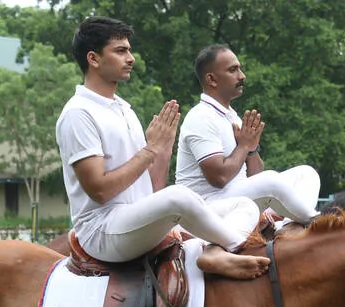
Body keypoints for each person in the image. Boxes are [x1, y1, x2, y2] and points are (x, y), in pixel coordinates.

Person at [56, 17, 268, 279]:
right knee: (179, 196)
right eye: (121, 51)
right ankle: (233, 246)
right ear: (94, 58)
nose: (131, 58)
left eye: (129, 50)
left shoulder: (123, 109)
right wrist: (149, 150)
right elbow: (99, 191)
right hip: (103, 231)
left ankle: (215, 249)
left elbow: (151, 191)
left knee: (244, 206)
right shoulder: (78, 113)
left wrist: (162, 150)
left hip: (134, 221)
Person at [175, 44, 320, 226]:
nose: (242, 76)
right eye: (233, 70)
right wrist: (243, 146)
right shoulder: (201, 117)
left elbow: (254, 177)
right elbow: (218, 179)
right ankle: (316, 222)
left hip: (237, 200)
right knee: (271, 181)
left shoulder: (233, 117)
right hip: (207, 206)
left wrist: (251, 150)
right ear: (212, 79)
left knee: (306, 174)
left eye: (240, 69)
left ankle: (289, 230)